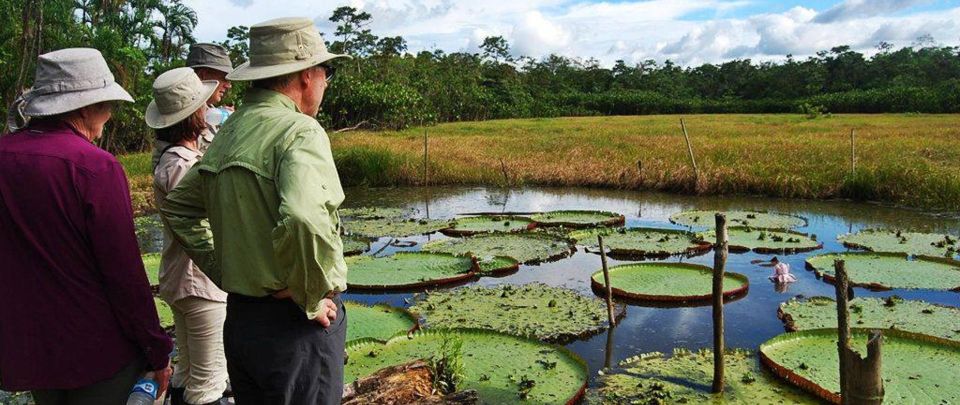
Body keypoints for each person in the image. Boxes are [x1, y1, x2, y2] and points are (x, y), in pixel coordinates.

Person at [160, 17, 351, 404]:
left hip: (243, 322)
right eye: (325, 71)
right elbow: (303, 217)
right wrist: (310, 298)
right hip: (295, 327)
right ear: (305, 75)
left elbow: (178, 207)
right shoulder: (299, 130)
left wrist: (222, 268)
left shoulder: (230, 129)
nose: (325, 82)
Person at [0, 48, 173, 404]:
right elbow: (124, 273)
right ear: (84, 107)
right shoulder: (95, 167)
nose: (109, 116)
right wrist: (157, 349)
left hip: (31, 347)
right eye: (107, 106)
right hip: (97, 349)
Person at [147, 67, 229, 405]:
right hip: (199, 283)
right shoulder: (181, 164)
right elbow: (204, 218)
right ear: (193, 114)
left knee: (188, 372)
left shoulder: (172, 158)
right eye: (202, 106)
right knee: (210, 382)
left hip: (183, 279)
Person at [152, 43, 234, 167]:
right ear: (203, 75)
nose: (228, 85)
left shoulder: (213, 113)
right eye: (225, 78)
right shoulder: (179, 118)